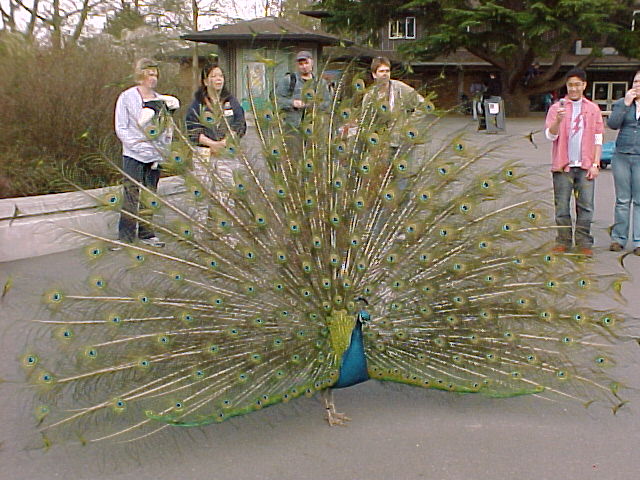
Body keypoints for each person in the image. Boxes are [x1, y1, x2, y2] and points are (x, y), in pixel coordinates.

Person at [114, 58, 179, 248]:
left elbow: (167, 127)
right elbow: (121, 126)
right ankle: (126, 236)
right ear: (141, 75)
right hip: (133, 154)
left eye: (156, 74)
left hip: (154, 154)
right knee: (131, 193)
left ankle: (146, 233)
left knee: (150, 194)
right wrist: (135, 145)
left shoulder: (161, 100)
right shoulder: (127, 97)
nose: (153, 78)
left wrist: (164, 149)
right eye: (150, 74)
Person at [544, 68, 603, 257]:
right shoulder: (556, 108)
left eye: (578, 85)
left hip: (585, 165)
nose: (574, 89)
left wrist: (595, 163)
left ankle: (584, 242)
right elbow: (550, 136)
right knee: (562, 206)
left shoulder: (593, 109)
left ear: (584, 85)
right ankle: (563, 240)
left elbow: (598, 138)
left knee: (585, 206)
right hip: (563, 166)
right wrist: (558, 121)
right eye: (570, 85)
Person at [185, 62, 246, 191]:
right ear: (206, 81)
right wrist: (212, 144)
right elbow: (192, 129)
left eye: (221, 76)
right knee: (204, 191)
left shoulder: (231, 102)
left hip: (226, 150)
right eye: (214, 76)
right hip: (204, 153)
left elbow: (240, 124)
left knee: (227, 190)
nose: (219, 79)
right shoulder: (198, 104)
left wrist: (225, 142)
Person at [606, 70, 640, 256]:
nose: (638, 85)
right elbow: (613, 124)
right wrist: (626, 105)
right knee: (622, 200)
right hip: (622, 155)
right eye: (635, 81)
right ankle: (618, 239)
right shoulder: (622, 103)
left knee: (639, 200)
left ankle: (638, 240)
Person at [275, 50, 331, 128]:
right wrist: (292, 103)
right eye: (301, 64)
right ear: (297, 65)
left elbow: (327, 102)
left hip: (313, 126)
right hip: (292, 126)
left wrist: (312, 105)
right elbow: (277, 100)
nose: (304, 66)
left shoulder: (320, 83)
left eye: (306, 63)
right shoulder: (288, 80)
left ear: (312, 63)